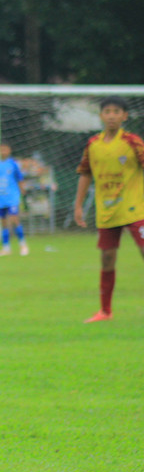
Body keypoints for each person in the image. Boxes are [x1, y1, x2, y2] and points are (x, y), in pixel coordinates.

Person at [73, 96, 144, 323]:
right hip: (107, 211)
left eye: (116, 111)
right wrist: (78, 205)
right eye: (107, 111)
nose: (112, 115)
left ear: (124, 116)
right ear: (101, 115)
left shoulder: (133, 142)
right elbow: (85, 173)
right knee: (107, 259)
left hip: (136, 209)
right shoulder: (93, 144)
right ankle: (105, 311)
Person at [0, 142, 28, 256]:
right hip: (0, 199)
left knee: (14, 219)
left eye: (5, 149)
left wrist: (23, 193)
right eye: (1, 149)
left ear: (9, 150)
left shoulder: (13, 164)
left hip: (12, 197)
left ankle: (23, 244)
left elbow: (20, 179)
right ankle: (6, 248)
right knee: (3, 223)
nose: (3, 152)